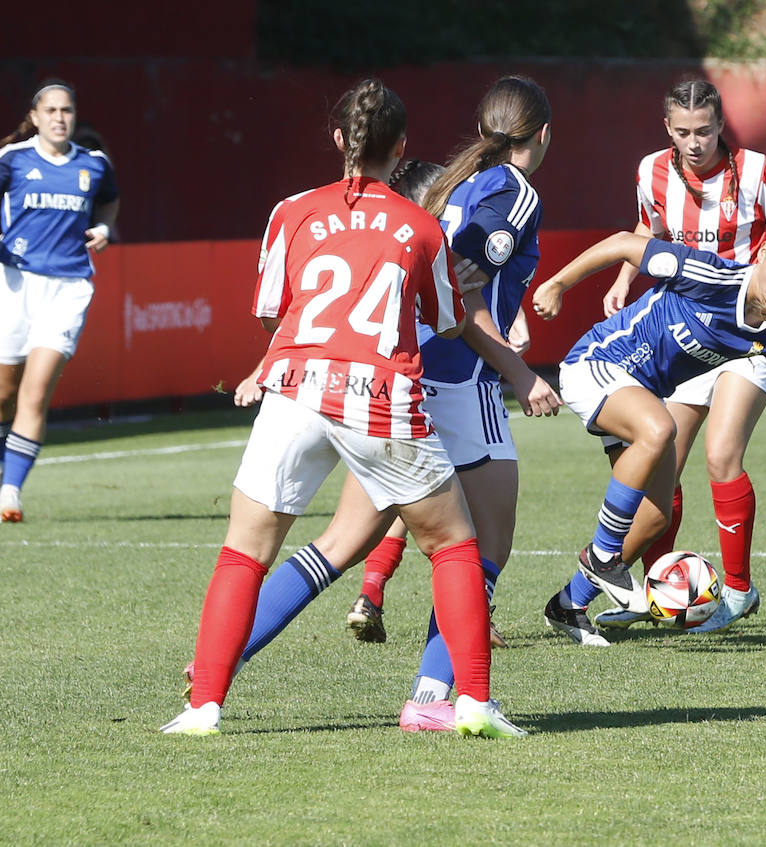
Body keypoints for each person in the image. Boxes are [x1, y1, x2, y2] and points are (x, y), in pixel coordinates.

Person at [160, 79, 525, 739]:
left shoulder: (292, 209)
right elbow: (445, 322)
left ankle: (203, 706)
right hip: (380, 392)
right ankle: (471, 702)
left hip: (297, 384)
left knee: (244, 550)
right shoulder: (420, 224)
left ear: (338, 141)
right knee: (451, 542)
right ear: (403, 147)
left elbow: (274, 308)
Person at [531, 215, 766, 646]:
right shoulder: (706, 274)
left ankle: (567, 605)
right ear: (764, 252)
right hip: (596, 364)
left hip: (637, 393)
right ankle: (602, 557)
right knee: (660, 430)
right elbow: (623, 242)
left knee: (656, 517)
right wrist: (558, 284)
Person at [590, 79, 766, 633]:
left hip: (748, 331)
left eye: (705, 130)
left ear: (721, 126)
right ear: (668, 128)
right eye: (684, 131)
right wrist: (624, 277)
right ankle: (653, 591)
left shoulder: (762, 173)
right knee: (663, 469)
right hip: (686, 335)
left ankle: (737, 592)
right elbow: (649, 229)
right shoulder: (650, 172)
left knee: (721, 456)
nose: (695, 142)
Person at [0, 79, 119, 523]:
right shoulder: (14, 158)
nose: (59, 118)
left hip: (69, 287)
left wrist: (104, 229)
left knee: (34, 393)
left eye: (66, 111)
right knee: (2, 393)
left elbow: (109, 203)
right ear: (35, 116)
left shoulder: (94, 165)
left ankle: (11, 493)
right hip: (15, 282)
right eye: (50, 111)